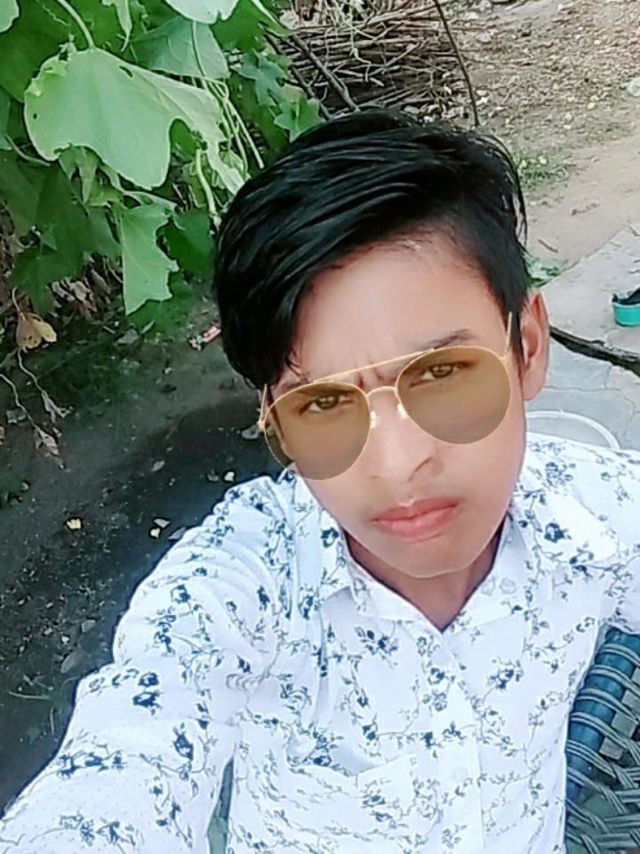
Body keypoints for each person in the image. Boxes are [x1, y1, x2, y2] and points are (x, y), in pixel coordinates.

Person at [1, 108, 639, 854]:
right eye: (325, 405)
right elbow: (122, 765)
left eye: (442, 373)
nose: (398, 463)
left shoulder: (601, 519)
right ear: (273, 416)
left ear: (526, 346)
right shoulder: (240, 591)